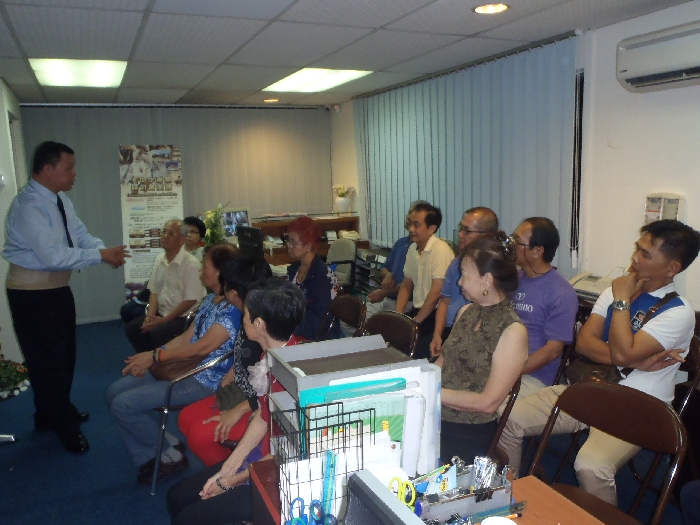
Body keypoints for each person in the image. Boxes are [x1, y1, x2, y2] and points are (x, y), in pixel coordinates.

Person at [498, 219, 700, 507]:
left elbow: (623, 354)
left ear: (672, 268)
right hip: (591, 387)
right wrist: (636, 361)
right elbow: (585, 344)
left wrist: (622, 302)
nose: (634, 258)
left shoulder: (677, 311)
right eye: (637, 248)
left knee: (590, 467)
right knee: (509, 416)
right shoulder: (617, 289)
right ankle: (509, 499)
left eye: (645, 254)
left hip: (638, 406)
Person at [3, 140, 128, 454]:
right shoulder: (29, 206)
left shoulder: (60, 200)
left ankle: (47, 414)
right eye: (69, 167)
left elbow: (80, 235)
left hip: (55, 289)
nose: (74, 174)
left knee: (62, 356)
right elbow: (54, 256)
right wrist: (101, 255)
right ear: (48, 169)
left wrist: (103, 250)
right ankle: (63, 424)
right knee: (50, 361)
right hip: (32, 293)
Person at [167, 278, 306, 525]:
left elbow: (288, 453)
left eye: (246, 314)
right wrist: (229, 468)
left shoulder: (293, 378)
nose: (242, 317)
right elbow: (262, 415)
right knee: (177, 497)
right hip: (263, 455)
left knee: (187, 517)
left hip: (279, 474)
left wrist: (230, 480)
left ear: (259, 325)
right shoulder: (273, 354)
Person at [106, 243, 240, 484]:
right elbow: (187, 337)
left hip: (204, 379)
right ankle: (165, 442)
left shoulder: (232, 310)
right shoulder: (211, 299)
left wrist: (155, 357)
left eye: (205, 266)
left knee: (123, 405)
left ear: (221, 272)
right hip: (183, 367)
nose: (201, 270)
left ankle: (168, 456)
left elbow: (201, 348)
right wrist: (153, 355)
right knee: (113, 392)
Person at [437, 232, 528, 464]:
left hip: (468, 430)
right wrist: (416, 379)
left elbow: (488, 403)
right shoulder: (466, 312)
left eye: (464, 274)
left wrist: (432, 392)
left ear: (486, 280)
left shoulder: (512, 331)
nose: (459, 282)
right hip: (436, 412)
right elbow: (442, 362)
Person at [177, 254, 273, 467]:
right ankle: (229, 465)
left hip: (257, 404)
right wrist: (232, 372)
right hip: (244, 391)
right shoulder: (247, 315)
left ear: (234, 293)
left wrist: (238, 411)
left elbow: (273, 390)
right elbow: (243, 355)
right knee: (185, 418)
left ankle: (232, 473)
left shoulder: (261, 327)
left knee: (199, 436)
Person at [509, 217, 578, 398]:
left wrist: (511, 371)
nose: (511, 245)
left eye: (517, 241)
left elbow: (552, 351)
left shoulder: (562, 292)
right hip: (503, 365)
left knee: (486, 407)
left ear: (537, 251)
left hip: (533, 377)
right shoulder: (513, 281)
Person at [125, 219, 205, 353]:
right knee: (133, 329)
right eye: (164, 232)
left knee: (158, 332)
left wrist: (164, 320)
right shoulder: (159, 260)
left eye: (171, 234)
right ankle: (150, 359)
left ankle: (162, 360)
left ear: (182, 239)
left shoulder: (191, 264)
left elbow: (191, 300)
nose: (164, 236)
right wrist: (150, 316)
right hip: (162, 313)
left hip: (183, 317)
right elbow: (154, 291)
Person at [430, 207, 498, 357]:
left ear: (487, 235)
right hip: (449, 330)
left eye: (467, 231)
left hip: (474, 337)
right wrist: (437, 335)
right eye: (461, 229)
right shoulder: (456, 262)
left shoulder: (494, 268)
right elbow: (444, 301)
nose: (460, 234)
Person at [395, 202, 454, 359]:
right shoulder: (412, 249)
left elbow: (437, 292)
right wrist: (397, 317)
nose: (411, 229)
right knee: (390, 341)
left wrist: (415, 323)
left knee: (411, 353)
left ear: (431, 228)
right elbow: (406, 285)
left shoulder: (440, 249)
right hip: (418, 312)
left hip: (436, 316)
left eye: (416, 225)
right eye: (410, 224)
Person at [365, 201, 428, 317]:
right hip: (387, 298)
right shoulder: (401, 243)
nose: (408, 217)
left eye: (413, 215)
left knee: (374, 323)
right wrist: (388, 275)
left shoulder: (423, 248)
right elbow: (384, 268)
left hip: (407, 304)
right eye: (409, 213)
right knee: (353, 316)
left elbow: (411, 285)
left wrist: (384, 293)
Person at [285, 215, 340, 340]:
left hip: (319, 337)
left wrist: (288, 328)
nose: (289, 246)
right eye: (288, 241)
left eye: (293, 242)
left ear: (308, 246)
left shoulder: (323, 277)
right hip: (297, 328)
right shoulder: (294, 270)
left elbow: (321, 320)